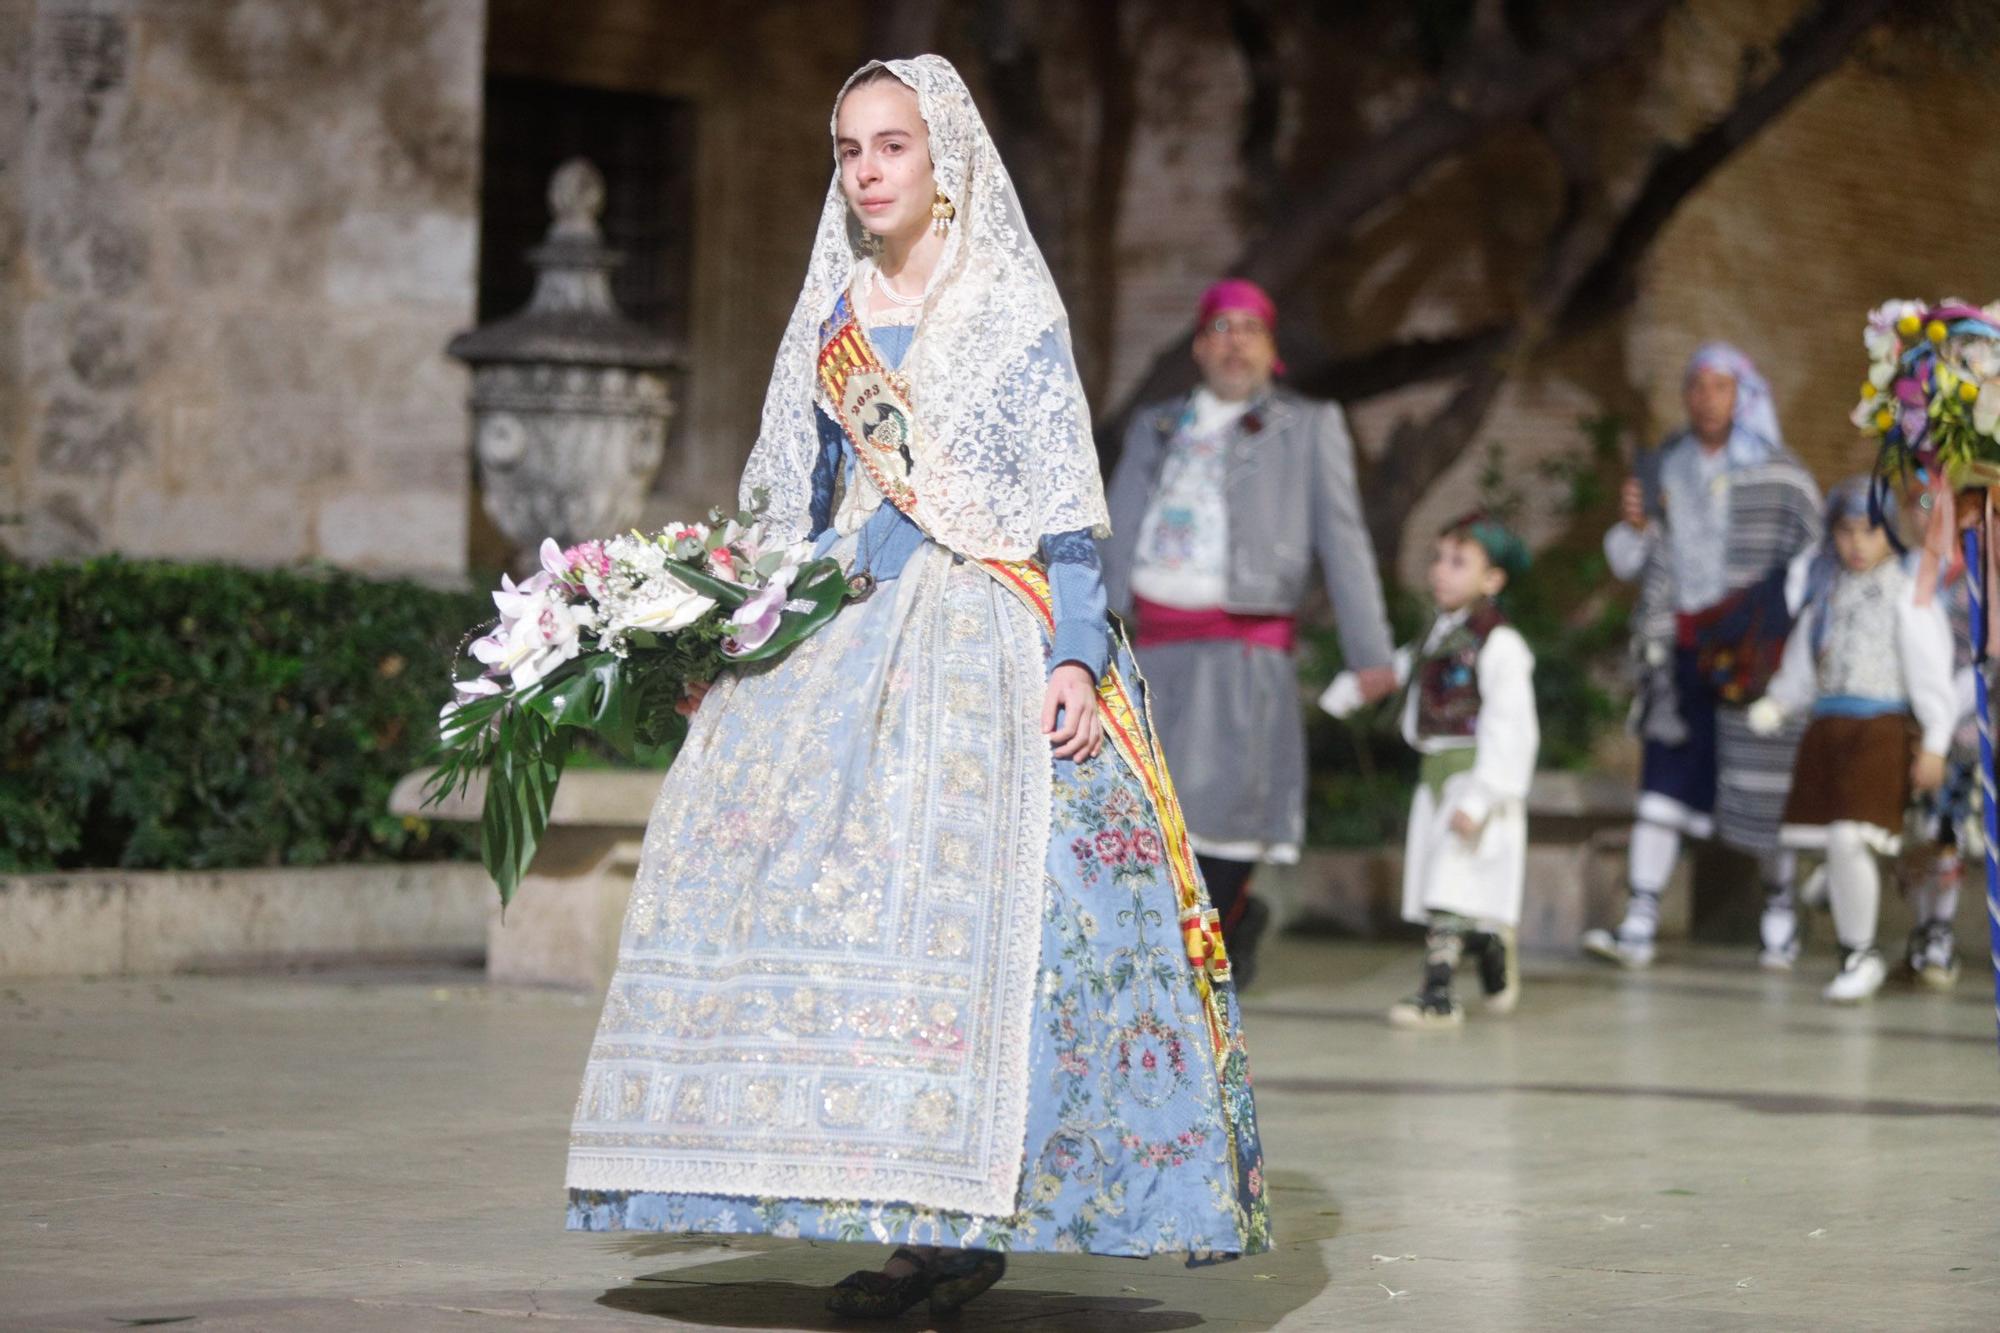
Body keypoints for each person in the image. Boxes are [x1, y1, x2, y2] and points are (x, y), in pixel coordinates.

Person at [561, 57, 1268, 1321]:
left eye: (891, 146)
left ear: (943, 162)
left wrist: (1071, 654)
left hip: (983, 633)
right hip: (845, 626)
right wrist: (726, 645)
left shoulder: (1008, 309)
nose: (868, 170)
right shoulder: (833, 317)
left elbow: (1060, 514)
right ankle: (889, 1202)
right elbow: (791, 502)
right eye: (848, 149)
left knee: (998, 929)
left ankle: (967, 1217)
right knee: (821, 904)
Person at [1100, 279, 1395, 987]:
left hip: (1245, 647)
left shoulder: (1309, 426)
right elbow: (1113, 531)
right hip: (1153, 652)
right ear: (1200, 345)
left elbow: (1344, 540)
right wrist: (1090, 635)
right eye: (1220, 329)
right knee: (1154, 807)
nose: (1234, 343)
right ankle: (1175, 948)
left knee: (1234, 808)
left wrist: (1372, 652)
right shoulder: (1157, 425)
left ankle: (1222, 930)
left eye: (1249, 330)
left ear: (1272, 349)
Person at [1583, 344, 1822, 969]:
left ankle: (1780, 913)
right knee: (1663, 786)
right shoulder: (1663, 465)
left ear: (1743, 395)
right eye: (1697, 385)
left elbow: (1814, 558)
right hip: (1678, 654)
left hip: (1753, 660)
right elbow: (1631, 561)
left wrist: (1765, 618)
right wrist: (1634, 527)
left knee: (1766, 789)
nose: (1706, 398)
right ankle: (1639, 920)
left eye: (1720, 386)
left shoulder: (1782, 474)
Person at [1320, 513, 1539, 1027]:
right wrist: (1354, 690)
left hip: (1472, 775)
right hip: (1435, 775)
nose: (1441, 571)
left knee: (1450, 880)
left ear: (1493, 580)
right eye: (1438, 558)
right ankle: (1487, 942)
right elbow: (1402, 670)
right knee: (1443, 884)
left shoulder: (1500, 645)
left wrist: (1481, 797)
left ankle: (1438, 993)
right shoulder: (1437, 635)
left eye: (1458, 562)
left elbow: (1512, 727)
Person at [1748, 478, 1955, 1002]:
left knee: (1851, 836)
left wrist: (1935, 738)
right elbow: (1803, 658)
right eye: (1845, 532)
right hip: (1827, 730)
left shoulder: (1909, 592)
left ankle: (1858, 953)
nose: (1857, 544)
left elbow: (1931, 670)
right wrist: (1780, 699)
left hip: (1880, 731)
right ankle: (1839, 895)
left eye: (1869, 531)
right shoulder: (1827, 587)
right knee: (1834, 841)